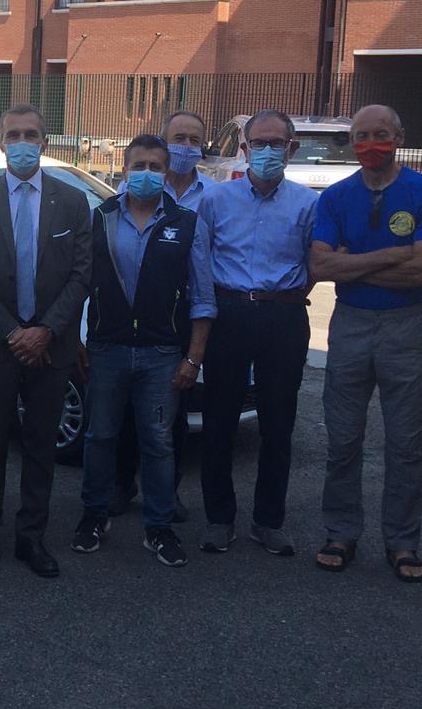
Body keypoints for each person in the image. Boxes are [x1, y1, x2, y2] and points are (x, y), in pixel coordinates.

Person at [310, 105, 422, 583]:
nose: (370, 144)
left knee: (406, 442)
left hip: (404, 325)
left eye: (380, 134)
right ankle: (340, 532)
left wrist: (352, 264)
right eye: (361, 136)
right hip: (349, 324)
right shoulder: (336, 197)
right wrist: (394, 255)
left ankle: (402, 542)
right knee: (343, 438)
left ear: (400, 137)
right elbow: (319, 267)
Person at [0, 105, 92, 578]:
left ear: (44, 142)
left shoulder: (72, 202)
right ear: (0, 143)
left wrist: (46, 330)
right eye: (12, 134)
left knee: (40, 445)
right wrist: (14, 333)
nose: (21, 142)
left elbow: (81, 276)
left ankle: (31, 537)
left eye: (30, 134)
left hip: (52, 345)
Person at [72, 134, 214, 565]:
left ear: (167, 173)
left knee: (158, 442)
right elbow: (79, 285)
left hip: (162, 354)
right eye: (139, 166)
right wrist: (78, 341)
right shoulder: (100, 217)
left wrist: (193, 358)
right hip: (107, 348)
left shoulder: (187, 223)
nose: (147, 174)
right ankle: (94, 516)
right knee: (99, 437)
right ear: (124, 169)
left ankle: (159, 528)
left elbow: (203, 298)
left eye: (155, 167)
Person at [195, 110, 319, 558]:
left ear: (291, 148)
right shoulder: (216, 199)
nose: (267, 151)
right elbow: (201, 258)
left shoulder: (308, 203)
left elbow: (314, 263)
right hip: (228, 313)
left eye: (276, 143)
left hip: (283, 316)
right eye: (259, 143)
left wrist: (281, 298)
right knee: (219, 422)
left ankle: (269, 521)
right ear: (245, 148)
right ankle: (219, 519)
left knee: (278, 425)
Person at [161, 109, 215, 522]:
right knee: (127, 410)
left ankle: (169, 490)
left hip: (189, 312)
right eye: (178, 138)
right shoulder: (138, 182)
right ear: (163, 141)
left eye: (194, 140)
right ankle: (123, 485)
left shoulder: (213, 196)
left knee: (175, 411)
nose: (186, 147)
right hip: (145, 310)